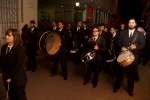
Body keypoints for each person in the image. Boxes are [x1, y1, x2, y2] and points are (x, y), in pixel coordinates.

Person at [113, 18, 145, 96]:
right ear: (128, 24)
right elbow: (118, 43)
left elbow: (142, 45)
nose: (131, 24)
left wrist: (136, 48)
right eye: (130, 22)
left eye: (132, 22)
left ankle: (130, 89)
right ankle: (117, 86)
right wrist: (122, 47)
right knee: (120, 73)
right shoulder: (123, 33)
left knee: (131, 74)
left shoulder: (140, 34)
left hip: (133, 57)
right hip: (123, 56)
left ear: (135, 24)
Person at [0, 29, 27, 100]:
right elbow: (1, 62)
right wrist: (2, 72)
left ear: (15, 37)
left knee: (20, 98)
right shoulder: (3, 47)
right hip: (6, 78)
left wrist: (7, 75)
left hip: (17, 79)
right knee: (12, 97)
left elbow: (18, 65)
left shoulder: (20, 49)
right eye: (6, 35)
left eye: (9, 35)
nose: (6, 37)